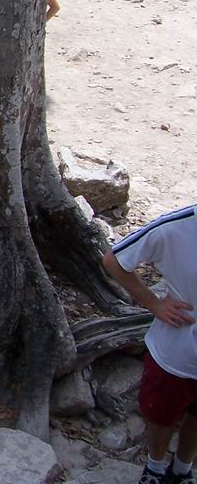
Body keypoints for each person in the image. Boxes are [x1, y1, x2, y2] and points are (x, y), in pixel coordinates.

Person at [102, 204, 197, 484]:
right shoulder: (175, 227)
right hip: (176, 349)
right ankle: (154, 467)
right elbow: (114, 260)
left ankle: (182, 469)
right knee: (161, 414)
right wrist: (153, 303)